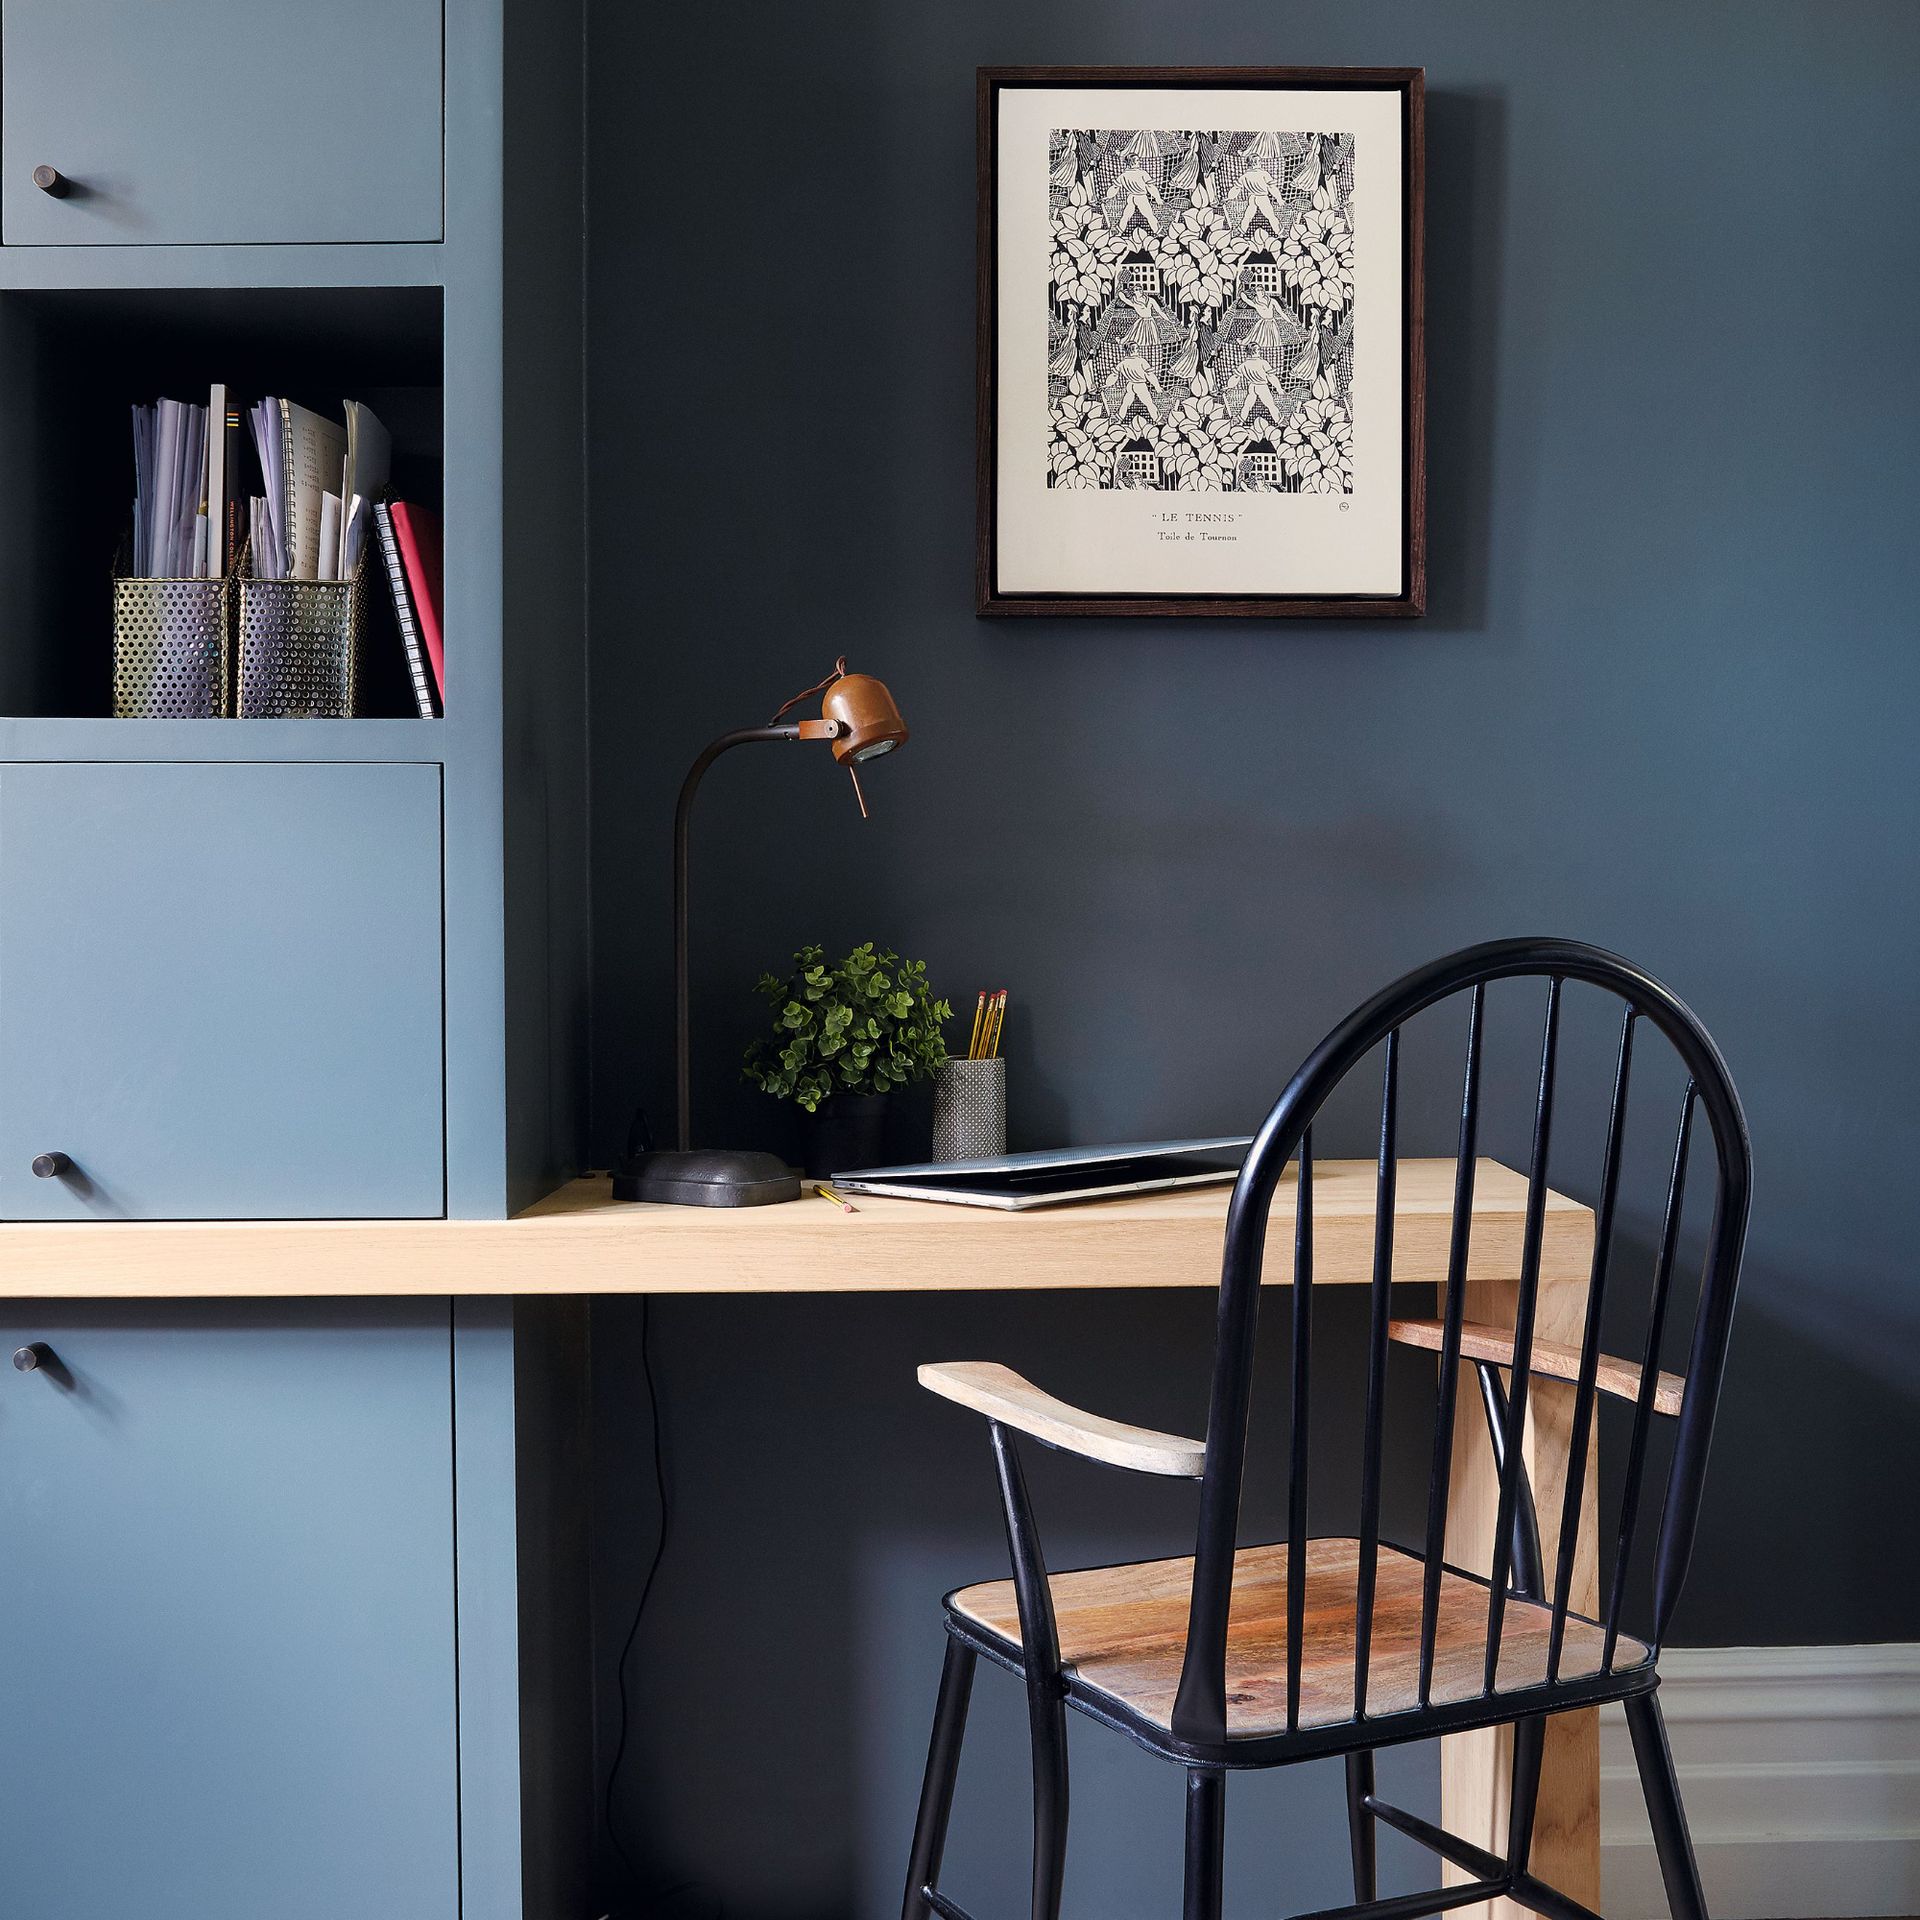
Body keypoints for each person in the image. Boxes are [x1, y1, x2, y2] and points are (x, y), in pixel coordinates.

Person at [1105, 350, 1164, 422]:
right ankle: (1158, 419)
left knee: (1126, 403)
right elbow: (1150, 375)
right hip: (1140, 385)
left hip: (1130, 385)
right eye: (1137, 348)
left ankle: (1118, 418)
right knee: (1149, 403)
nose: (1139, 350)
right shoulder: (1142, 361)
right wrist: (1157, 387)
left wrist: (1107, 384)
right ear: (1135, 350)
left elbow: (1114, 376)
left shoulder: (1122, 363)